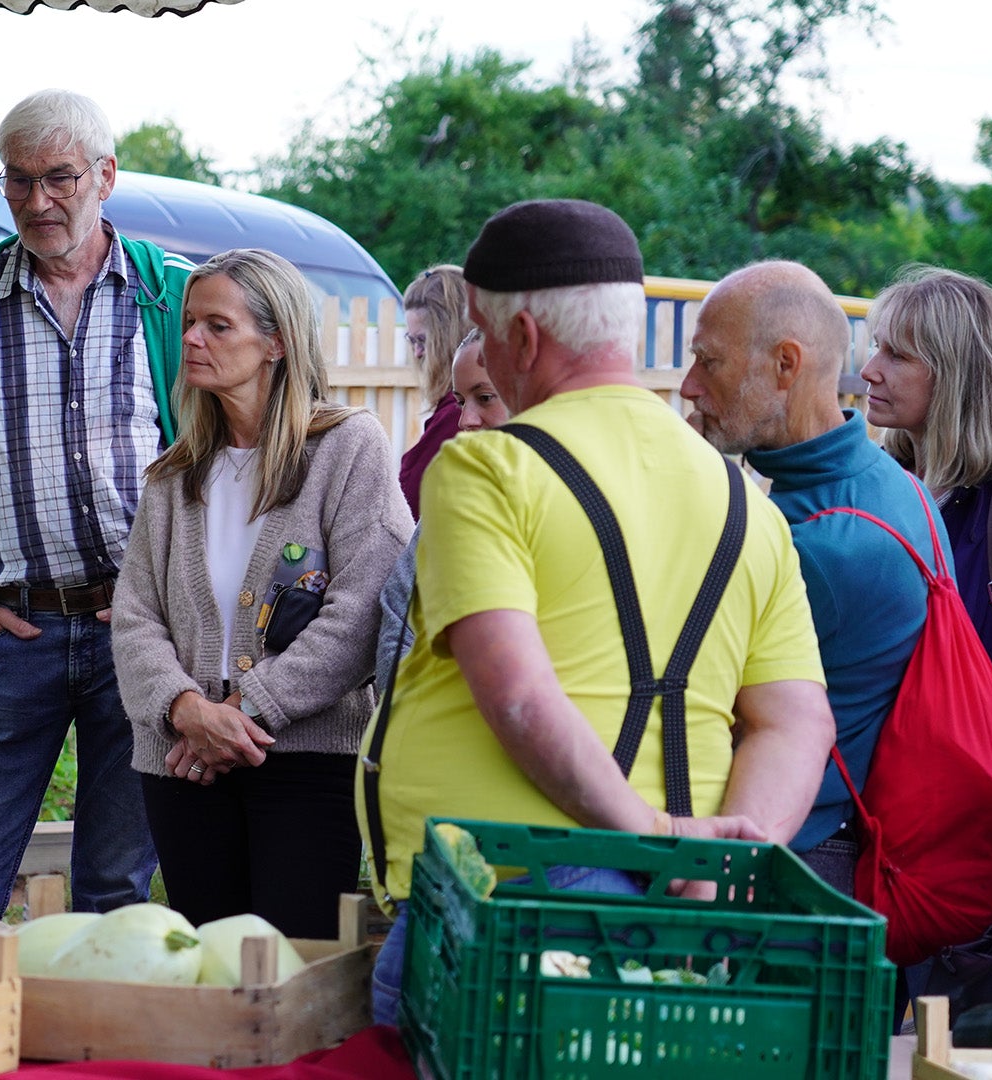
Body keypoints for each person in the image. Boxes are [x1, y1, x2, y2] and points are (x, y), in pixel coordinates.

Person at [355, 200, 834, 1025]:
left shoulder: (487, 471)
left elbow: (518, 696)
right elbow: (797, 722)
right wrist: (727, 858)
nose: (481, 356)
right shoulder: (745, 503)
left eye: (483, 334)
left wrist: (650, 832)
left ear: (523, 338)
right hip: (676, 922)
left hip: (503, 910)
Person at [0, 89, 188, 918]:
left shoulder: (171, 298)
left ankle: (90, 1011)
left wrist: (177, 603)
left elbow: (224, 465)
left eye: (59, 177)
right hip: (11, 630)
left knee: (116, 885)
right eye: (17, 180)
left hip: (138, 629)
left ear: (105, 176)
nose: (37, 200)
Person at [111, 249, 410, 939]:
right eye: (189, 322)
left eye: (217, 326)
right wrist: (186, 710)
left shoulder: (347, 449)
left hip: (307, 761)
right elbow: (134, 618)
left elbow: (361, 613)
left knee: (294, 968)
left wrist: (241, 713)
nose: (192, 338)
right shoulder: (174, 476)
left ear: (277, 342)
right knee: (207, 963)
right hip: (184, 766)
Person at [679, 260, 947, 895]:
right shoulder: (898, 487)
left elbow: (693, 702)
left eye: (709, 363)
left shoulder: (818, 549)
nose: (689, 386)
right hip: (833, 839)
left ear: (785, 366)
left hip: (783, 863)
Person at [860, 266, 992, 774]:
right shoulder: (880, 480)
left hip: (978, 797)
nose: (870, 369)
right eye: (876, 347)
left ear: (956, 373)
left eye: (897, 355)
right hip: (874, 790)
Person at [374, 329, 502, 692]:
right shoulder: (455, 492)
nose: (465, 420)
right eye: (460, 402)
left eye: (485, 398)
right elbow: (399, 615)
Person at [395, 266, 471, 516]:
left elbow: (411, 503)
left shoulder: (458, 415)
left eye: (422, 340)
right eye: (411, 340)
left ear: (450, 337)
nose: (417, 352)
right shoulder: (452, 409)